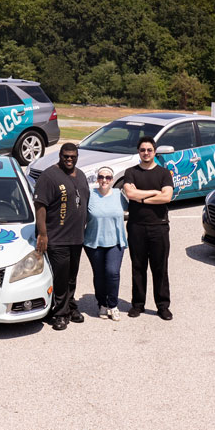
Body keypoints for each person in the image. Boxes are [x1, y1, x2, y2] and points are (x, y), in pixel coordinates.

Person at [33, 142, 90, 331]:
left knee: (71, 276)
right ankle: (59, 313)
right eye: (66, 156)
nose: (69, 159)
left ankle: (70, 306)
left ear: (77, 156)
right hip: (57, 238)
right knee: (60, 277)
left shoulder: (80, 175)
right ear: (60, 155)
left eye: (73, 156)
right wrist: (42, 233)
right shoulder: (49, 176)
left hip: (76, 237)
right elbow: (40, 206)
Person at [121, 136, 175, 320]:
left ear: (154, 151)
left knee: (160, 268)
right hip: (136, 227)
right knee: (138, 267)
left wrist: (140, 198)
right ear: (138, 151)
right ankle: (138, 304)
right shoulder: (131, 172)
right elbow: (130, 193)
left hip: (159, 227)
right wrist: (153, 193)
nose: (146, 153)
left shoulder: (164, 173)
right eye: (143, 150)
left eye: (149, 150)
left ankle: (162, 306)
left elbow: (166, 197)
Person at [84, 166, 128, 321]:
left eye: (108, 178)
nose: (104, 180)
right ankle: (102, 303)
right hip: (93, 242)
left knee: (112, 272)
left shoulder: (119, 195)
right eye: (101, 177)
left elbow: (134, 209)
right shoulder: (90, 195)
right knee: (100, 274)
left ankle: (113, 305)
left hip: (115, 241)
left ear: (112, 180)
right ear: (97, 179)